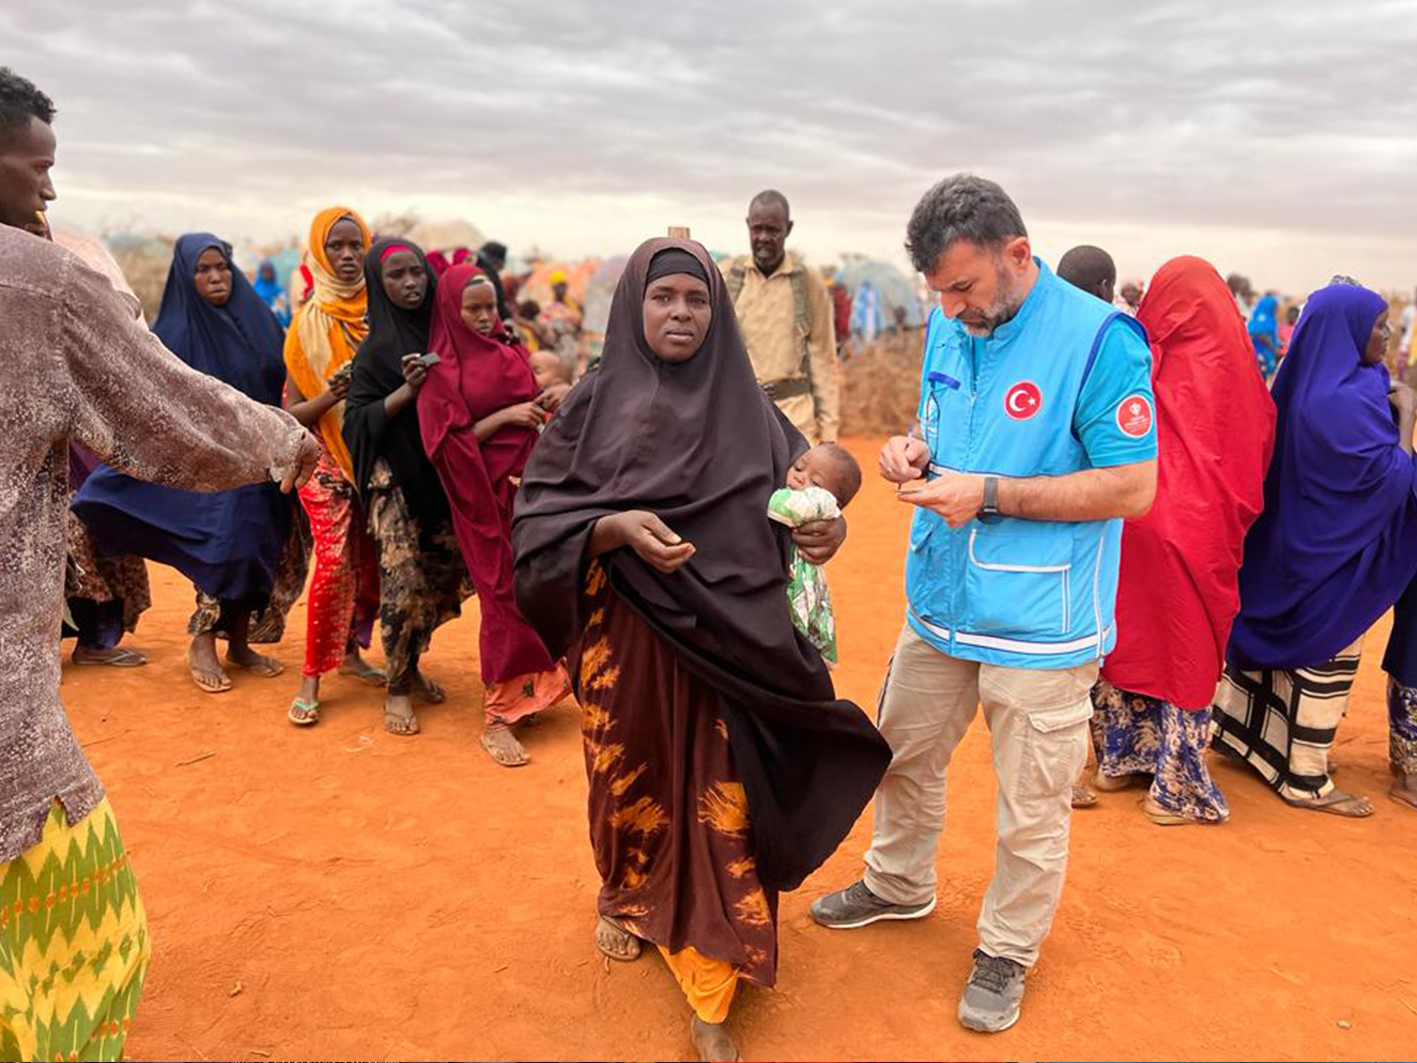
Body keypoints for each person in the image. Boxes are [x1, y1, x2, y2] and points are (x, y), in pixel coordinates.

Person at [0, 64, 323, 1063]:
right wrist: (289, 442)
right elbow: (169, 413)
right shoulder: (37, 284)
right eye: (37, 167)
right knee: (75, 933)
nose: (50, 191)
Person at [512, 237, 891, 1063]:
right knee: (629, 774)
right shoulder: (588, 406)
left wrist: (826, 528)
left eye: (696, 300)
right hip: (626, 639)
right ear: (633, 308)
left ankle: (715, 979)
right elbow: (535, 526)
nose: (680, 312)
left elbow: (806, 494)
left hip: (730, 646)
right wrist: (609, 529)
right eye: (664, 298)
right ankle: (625, 894)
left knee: (724, 800)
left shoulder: (749, 409)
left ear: (716, 315)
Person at [809, 174, 1158, 1034]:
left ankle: (1006, 945)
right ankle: (897, 883)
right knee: (900, 754)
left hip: (1042, 624)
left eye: (963, 287)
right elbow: (946, 428)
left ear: (1016, 255)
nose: (952, 308)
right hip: (939, 601)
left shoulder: (1100, 340)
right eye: (939, 292)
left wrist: (991, 493)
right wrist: (912, 452)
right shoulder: (947, 316)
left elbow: (1131, 485)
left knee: (1030, 801)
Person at [1213, 282, 1417, 817]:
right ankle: (1305, 777)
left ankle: (1245, 742)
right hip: (1332, 559)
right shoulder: (1338, 402)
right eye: (1378, 326)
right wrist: (1408, 415)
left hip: (1291, 549)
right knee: (1327, 651)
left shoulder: (1316, 381)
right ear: (1346, 332)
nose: (1388, 333)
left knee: (1282, 655)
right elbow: (1389, 480)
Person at [1084, 257, 1275, 824]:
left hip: (1133, 519)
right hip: (1200, 532)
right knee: (1189, 647)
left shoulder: (1140, 356)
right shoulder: (1238, 370)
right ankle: (1174, 788)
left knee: (1133, 637)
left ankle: (1118, 761)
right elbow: (1257, 444)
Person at [73, 234, 305, 694]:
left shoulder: (259, 319)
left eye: (221, 267)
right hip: (211, 466)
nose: (216, 277)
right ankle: (203, 642)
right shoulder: (175, 332)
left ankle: (238, 644)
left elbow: (280, 382)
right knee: (224, 548)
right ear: (186, 276)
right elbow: (154, 400)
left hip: (264, 458)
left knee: (260, 549)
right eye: (203, 270)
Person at [417, 264, 573, 766]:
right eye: (474, 309)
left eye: (490, 307)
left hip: (531, 494)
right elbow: (443, 443)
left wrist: (543, 402)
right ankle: (498, 716)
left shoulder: (510, 348)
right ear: (451, 309)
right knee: (501, 595)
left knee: (539, 587)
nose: (485, 318)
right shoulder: (441, 371)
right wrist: (506, 417)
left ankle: (537, 689)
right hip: (481, 499)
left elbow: (526, 403)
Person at [343, 239, 472, 736]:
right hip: (392, 479)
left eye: (416, 272)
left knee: (439, 577)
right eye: (396, 276)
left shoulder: (448, 334)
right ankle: (395, 688)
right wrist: (406, 390)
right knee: (402, 581)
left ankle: (412, 663)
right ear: (379, 283)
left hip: (440, 475)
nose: (411, 283)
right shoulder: (375, 350)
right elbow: (355, 422)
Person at [24, 217, 154, 669]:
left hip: (85, 436)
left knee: (99, 526)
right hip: (36, 443)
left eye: (41, 235)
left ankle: (96, 639)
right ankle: (71, 642)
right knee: (62, 538)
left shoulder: (71, 279)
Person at [283, 207, 383, 725]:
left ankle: (350, 653)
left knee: (372, 559)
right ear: (320, 253)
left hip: (377, 458)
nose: (347, 257)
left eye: (355, 246)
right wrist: (332, 395)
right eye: (336, 247)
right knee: (335, 559)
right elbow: (290, 414)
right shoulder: (306, 326)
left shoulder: (383, 316)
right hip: (326, 460)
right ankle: (311, 676)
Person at [725, 190, 840, 445]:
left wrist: (829, 436)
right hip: (738, 414)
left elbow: (823, 356)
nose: (764, 238)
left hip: (795, 419)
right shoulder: (727, 277)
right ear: (748, 226)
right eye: (757, 229)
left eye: (773, 230)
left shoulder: (808, 282)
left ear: (788, 229)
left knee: (797, 484)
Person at [767, 443, 862, 665]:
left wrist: (753, 495)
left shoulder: (821, 502)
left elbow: (779, 505)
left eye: (815, 482)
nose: (800, 478)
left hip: (796, 591)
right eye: (798, 468)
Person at [475, 239, 511, 321]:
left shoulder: (476, 268)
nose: (503, 264)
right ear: (496, 260)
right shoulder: (490, 275)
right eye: (502, 260)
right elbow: (498, 304)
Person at [1248, 293, 1282, 380]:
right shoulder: (1263, 317)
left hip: (1265, 355)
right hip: (1260, 355)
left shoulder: (1267, 317)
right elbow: (1261, 334)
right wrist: (1275, 350)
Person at [253, 258, 291, 327]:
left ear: (273, 272)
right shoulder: (254, 292)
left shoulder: (280, 291)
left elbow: (285, 311)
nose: (266, 272)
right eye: (264, 270)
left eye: (269, 270)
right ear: (260, 272)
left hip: (279, 327)